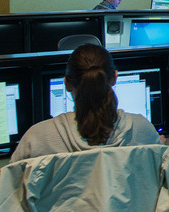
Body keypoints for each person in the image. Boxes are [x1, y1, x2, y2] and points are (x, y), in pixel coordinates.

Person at [12, 44, 160, 161]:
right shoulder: (143, 130)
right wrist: (157, 145)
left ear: (67, 84)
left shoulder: (37, 138)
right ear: (115, 78)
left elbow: (11, 187)